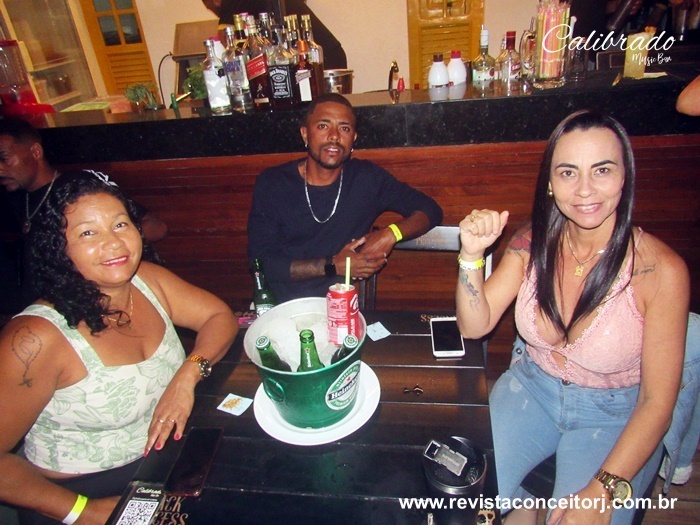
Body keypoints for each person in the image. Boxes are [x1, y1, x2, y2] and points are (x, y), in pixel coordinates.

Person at [455, 110, 689, 525]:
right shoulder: (531, 242)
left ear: (625, 176)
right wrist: (472, 255)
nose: (584, 189)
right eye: (568, 172)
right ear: (550, 182)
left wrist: (601, 490)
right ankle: (526, 504)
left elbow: (657, 403)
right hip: (530, 390)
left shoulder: (660, 271)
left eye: (602, 170)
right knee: (458, 501)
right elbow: (474, 326)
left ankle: (528, 503)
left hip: (614, 416)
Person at [0, 175, 238, 524]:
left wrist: (187, 375)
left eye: (120, 224)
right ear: (58, 248)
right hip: (76, 495)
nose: (113, 242)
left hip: (159, 465)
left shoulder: (147, 280)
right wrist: (83, 511)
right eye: (88, 232)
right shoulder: (35, 338)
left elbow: (219, 317)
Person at [247, 93, 443, 302]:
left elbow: (430, 210)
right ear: (305, 134)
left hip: (340, 307)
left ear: (353, 139)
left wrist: (390, 234)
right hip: (281, 306)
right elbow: (262, 265)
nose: (334, 136)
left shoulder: (367, 178)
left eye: (344, 128)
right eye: (323, 126)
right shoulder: (273, 183)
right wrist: (333, 265)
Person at [0, 117, 168, 315]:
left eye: (4, 159)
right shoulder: (16, 196)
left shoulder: (80, 188)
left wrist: (110, 253)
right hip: (41, 307)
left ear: (36, 152)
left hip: (91, 303)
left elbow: (156, 227)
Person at [201, 0, 348, 69]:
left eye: (210, 8)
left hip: (317, 57)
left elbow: (224, 44)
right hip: (326, 53)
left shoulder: (231, 2)